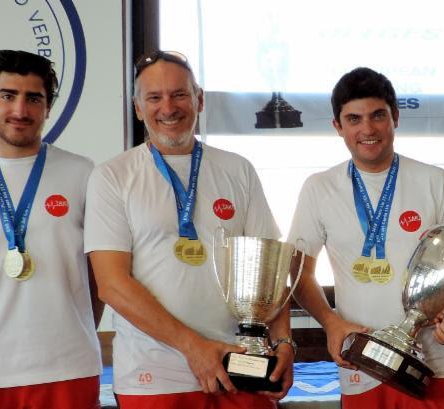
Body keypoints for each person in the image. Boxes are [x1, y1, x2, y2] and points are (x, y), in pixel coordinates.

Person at [83, 50, 293, 409]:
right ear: (138, 108)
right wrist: (195, 349)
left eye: (179, 94)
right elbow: (112, 285)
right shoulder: (112, 177)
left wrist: (285, 343)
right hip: (154, 378)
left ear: (199, 99)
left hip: (240, 368)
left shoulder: (238, 170)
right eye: (154, 97)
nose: (169, 107)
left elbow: (269, 272)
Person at [287, 67, 444, 409]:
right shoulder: (320, 188)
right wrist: (330, 323)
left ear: (395, 118)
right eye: (354, 119)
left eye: (378, 116)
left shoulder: (435, 181)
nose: (368, 129)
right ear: (338, 127)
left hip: (435, 365)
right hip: (362, 365)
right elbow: (297, 271)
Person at [0, 50, 103, 409]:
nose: (20, 110)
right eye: (7, 96)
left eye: (33, 98)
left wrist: (74, 327)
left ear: (48, 106)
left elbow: (97, 278)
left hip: (67, 369)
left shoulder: (83, 173)